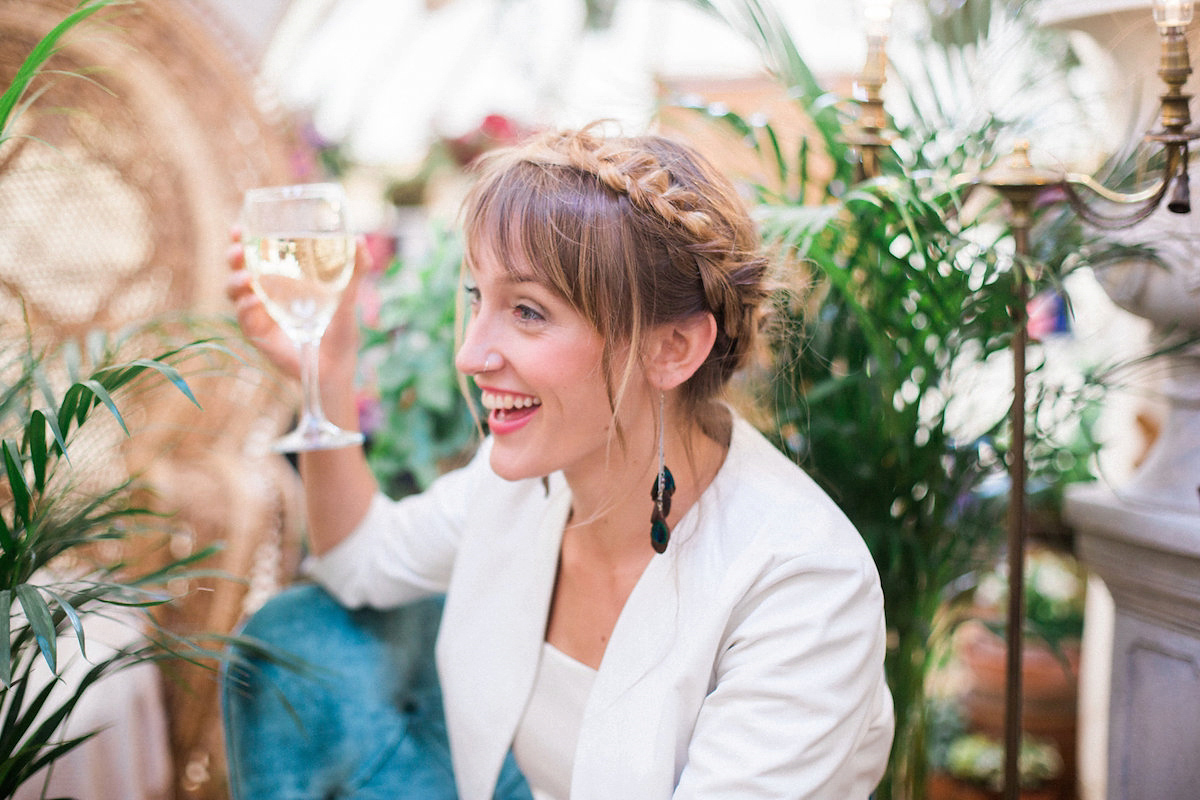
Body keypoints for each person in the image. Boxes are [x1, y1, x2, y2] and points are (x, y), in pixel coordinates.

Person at [226, 125, 894, 799]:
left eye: (527, 311)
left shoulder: (805, 585)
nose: (471, 355)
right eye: (476, 301)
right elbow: (359, 562)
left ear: (673, 348)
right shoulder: (520, 484)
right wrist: (328, 372)